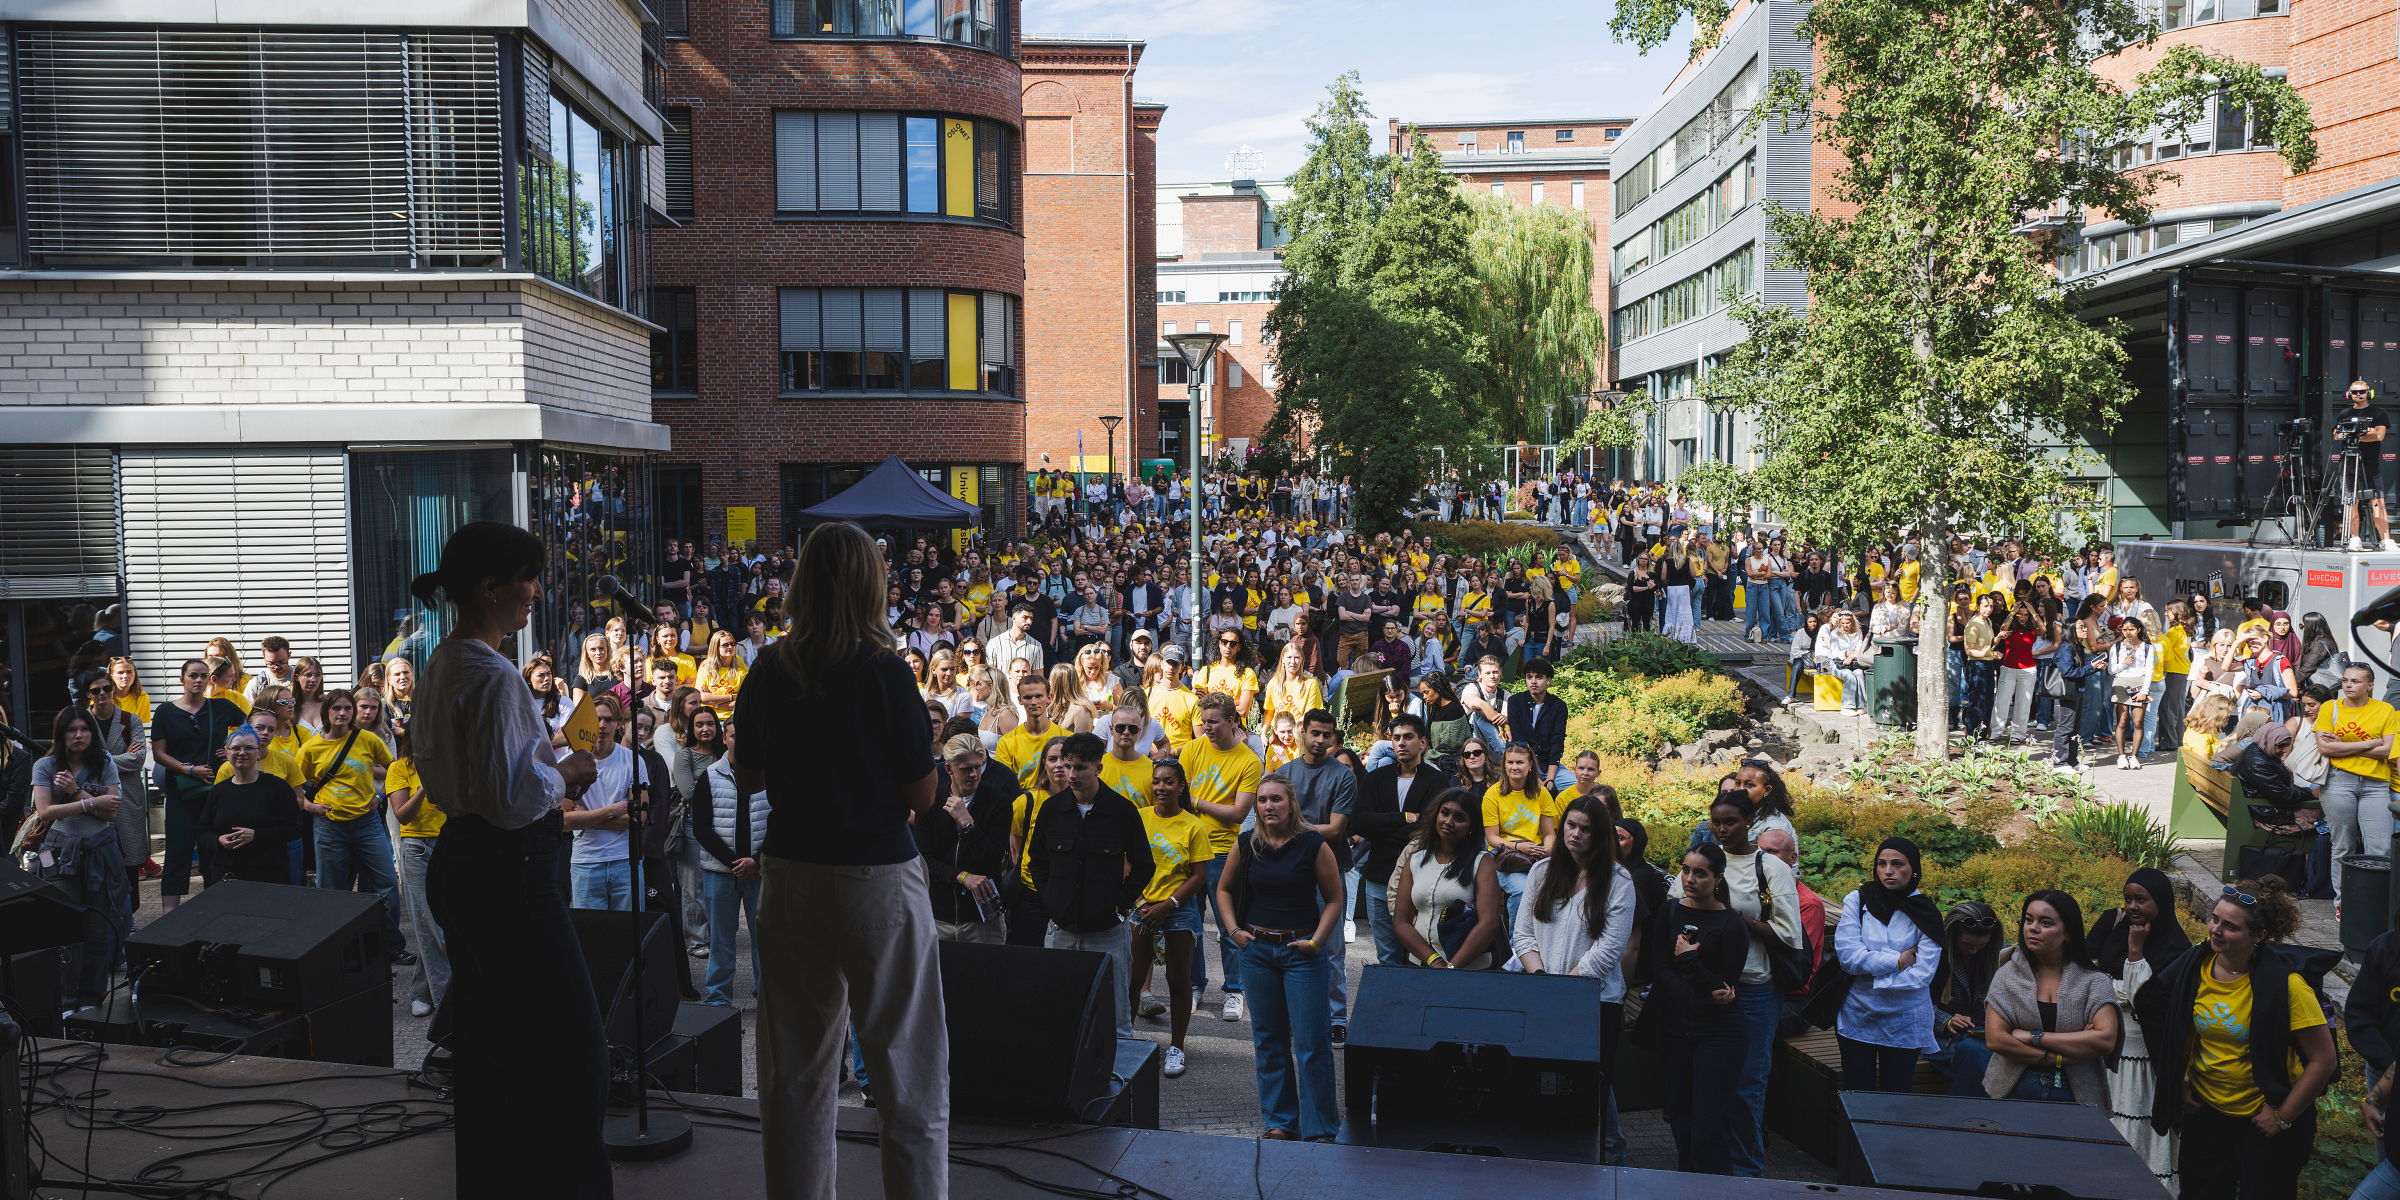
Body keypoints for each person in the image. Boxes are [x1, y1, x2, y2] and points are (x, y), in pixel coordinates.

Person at [730, 520, 947, 1200]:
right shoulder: (884, 671)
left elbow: (746, 772)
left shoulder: (770, 665)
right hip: (875, 876)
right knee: (906, 1066)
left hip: (790, 873)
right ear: (868, 585)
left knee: (794, 1070)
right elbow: (922, 791)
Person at [409, 521, 608, 1199]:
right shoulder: (493, 676)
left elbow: (464, 778)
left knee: (492, 1051)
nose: (535, 592)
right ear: (490, 587)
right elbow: (513, 797)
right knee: (576, 1049)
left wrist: (541, 762)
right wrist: (568, 769)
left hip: (464, 861)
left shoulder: (443, 664)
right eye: (527, 578)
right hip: (510, 873)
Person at [2136, 878, 2339, 1200]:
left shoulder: (2286, 985)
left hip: (2264, 1117)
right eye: (2215, 918)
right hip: (2208, 1111)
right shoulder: (2195, 965)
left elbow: (2324, 1060)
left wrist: (2282, 1116)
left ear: (2258, 936)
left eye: (2230, 926)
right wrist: (2180, 1080)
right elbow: (2163, 1016)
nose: (2216, 929)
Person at [1670, 791, 1803, 1177]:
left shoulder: (1770, 869)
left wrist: (1734, 920)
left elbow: (1788, 934)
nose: (1722, 829)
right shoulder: (1705, 862)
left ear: (1749, 822)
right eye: (1716, 822)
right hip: (1702, 986)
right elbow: (1675, 913)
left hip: (1752, 988)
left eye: (1730, 822)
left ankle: (1746, 1171)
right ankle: (1701, 1166)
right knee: (1699, 1086)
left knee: (1746, 1085)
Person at [1217, 772, 1345, 1143]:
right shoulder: (1246, 843)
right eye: (1262, 800)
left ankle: (1321, 1127)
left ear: (1291, 804)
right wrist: (1233, 931)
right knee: (1269, 1040)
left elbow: (1335, 899)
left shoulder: (1312, 844)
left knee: (1311, 1044)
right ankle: (1279, 1121)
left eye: (1276, 799)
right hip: (1256, 952)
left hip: (1301, 952)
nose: (1269, 806)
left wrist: (1317, 942)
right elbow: (1223, 889)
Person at [1030, 731, 1155, 1038]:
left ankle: (1119, 1080)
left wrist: (1118, 903)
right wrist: (1052, 900)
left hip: (1107, 933)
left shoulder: (1122, 812)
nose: (1071, 774)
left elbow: (1144, 865)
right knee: (1057, 1011)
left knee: (1117, 1019)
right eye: (1067, 766)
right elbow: (1037, 862)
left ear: (1098, 767)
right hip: (1060, 930)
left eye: (1080, 767)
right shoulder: (1051, 810)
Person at [2084, 868, 2196, 1191]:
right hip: (2108, 1053)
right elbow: (2088, 978)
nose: (2133, 906)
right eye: (2128, 899)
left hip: (2145, 1057)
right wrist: (2117, 990)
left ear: (2161, 902)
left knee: (2138, 1121)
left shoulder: (2175, 949)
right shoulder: (2113, 927)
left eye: (2141, 900)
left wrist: (2135, 951)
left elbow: (2145, 1001)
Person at [1649, 841, 1752, 1175]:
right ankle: (1687, 1182)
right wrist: (1694, 994)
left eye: (1700, 873)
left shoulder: (1731, 924)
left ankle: (1716, 1186)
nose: (1690, 878)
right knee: (1680, 1116)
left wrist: (1690, 962)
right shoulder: (1670, 911)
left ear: (1718, 878)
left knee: (1709, 1122)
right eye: (1686, 869)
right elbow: (1660, 967)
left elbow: (1724, 985)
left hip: (1719, 1032)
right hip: (1678, 1026)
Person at [29, 705, 130, 1010]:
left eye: (84, 729)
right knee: (67, 928)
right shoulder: (45, 765)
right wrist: (91, 802)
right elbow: (46, 810)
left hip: (101, 849)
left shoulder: (105, 762)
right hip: (60, 852)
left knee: (98, 927)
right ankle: (66, 998)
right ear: (61, 735)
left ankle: (93, 995)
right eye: (72, 730)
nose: (78, 735)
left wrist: (76, 794)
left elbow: (112, 811)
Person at [1982, 890, 2120, 1104]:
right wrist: (2055, 1057)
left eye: (2046, 923)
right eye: (2028, 920)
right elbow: (1996, 1039)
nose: (2033, 928)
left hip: (2075, 1092)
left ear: (2068, 932)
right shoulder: (2007, 975)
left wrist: (2032, 1036)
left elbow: (2105, 1040)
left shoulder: (2093, 981)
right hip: (2013, 1089)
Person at [1833, 837, 1947, 1092]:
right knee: (1856, 1091)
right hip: (1858, 1015)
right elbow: (1849, 958)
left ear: (1914, 869)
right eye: (1882, 864)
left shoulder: (1924, 912)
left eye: (1897, 864)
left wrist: (1871, 972)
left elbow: (1922, 975)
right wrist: (1897, 961)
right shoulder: (1858, 900)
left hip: (1904, 1019)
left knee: (1897, 1093)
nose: (1888, 871)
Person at [1180, 691, 1264, 1022]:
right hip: (1186, 849)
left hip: (1222, 851)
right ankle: (1194, 985)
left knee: (1229, 924)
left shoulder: (1248, 761)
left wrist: (1196, 802)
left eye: (1214, 721)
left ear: (1232, 721)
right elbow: (1176, 796)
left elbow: (1237, 812)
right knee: (1188, 924)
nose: (1207, 727)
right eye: (1203, 721)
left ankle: (1234, 990)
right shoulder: (1191, 749)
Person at [1131, 759, 1213, 1079]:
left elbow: (1199, 875)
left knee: (1178, 981)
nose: (1161, 787)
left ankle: (1176, 1046)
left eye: (1168, 782)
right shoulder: (1139, 819)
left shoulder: (1193, 825)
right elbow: (1127, 865)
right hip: (1141, 908)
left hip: (1178, 910)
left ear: (1181, 786)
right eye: (1156, 781)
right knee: (1133, 981)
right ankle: (1126, 1038)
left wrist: (1168, 904)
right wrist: (1140, 903)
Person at [1355, 714, 1453, 965]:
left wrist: (1384, 824)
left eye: (1408, 737)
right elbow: (1361, 822)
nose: (1401, 743)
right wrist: (1405, 817)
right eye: (1396, 738)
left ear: (1422, 743)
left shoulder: (1437, 781)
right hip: (1379, 876)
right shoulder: (1376, 778)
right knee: (1387, 956)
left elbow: (1431, 827)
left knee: (1420, 954)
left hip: (1420, 879)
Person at [150, 658, 247, 909]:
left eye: (203, 676)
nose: (198, 680)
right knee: (177, 852)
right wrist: (188, 769)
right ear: (182, 678)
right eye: (193, 675)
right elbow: (159, 753)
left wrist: (232, 749)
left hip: (214, 792)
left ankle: (212, 910)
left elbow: (252, 726)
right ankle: (169, 915)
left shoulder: (221, 706)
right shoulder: (165, 712)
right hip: (180, 790)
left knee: (213, 852)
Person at [690, 719, 769, 1007]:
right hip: (720, 872)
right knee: (721, 941)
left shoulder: (768, 774)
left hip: (759, 872)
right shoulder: (710, 776)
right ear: (725, 738)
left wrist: (757, 861)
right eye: (735, 736)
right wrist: (734, 862)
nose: (740, 742)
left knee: (764, 941)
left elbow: (778, 822)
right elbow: (701, 827)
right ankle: (719, 1000)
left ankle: (766, 995)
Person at [914, 733, 1012, 946]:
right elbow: (923, 858)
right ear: (949, 769)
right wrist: (961, 876)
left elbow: (993, 858)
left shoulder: (998, 802)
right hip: (939, 914)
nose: (975, 774)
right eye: (967, 769)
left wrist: (969, 824)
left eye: (979, 767)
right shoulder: (932, 801)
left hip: (982, 916)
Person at [2314, 663, 2395, 917]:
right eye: (2346, 680)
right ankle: (2343, 903)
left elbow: (2387, 750)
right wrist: (2370, 742)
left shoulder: (2385, 710)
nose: (2349, 685)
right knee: (2342, 846)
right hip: (2339, 781)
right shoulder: (2331, 707)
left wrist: (2345, 746)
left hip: (2376, 784)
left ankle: (2375, 902)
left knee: (2379, 848)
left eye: (2356, 681)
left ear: (2370, 685)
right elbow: (2326, 749)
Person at [1392, 788, 1504, 970]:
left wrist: (1451, 968)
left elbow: (1489, 923)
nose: (1448, 821)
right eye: (1444, 813)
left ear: (1471, 826)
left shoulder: (1482, 862)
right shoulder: (1415, 859)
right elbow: (1400, 922)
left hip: (1469, 970)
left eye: (1459, 818)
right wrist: (1434, 961)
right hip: (1421, 965)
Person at [200, 724, 304, 885]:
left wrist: (256, 836)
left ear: (258, 753)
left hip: (269, 874)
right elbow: (202, 831)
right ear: (227, 753)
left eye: (249, 748)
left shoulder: (277, 788)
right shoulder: (218, 791)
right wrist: (218, 840)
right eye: (236, 748)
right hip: (226, 874)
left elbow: (294, 829)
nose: (242, 753)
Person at [1924, 901, 2004, 1095]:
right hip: (1937, 1035)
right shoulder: (1932, 955)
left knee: (1980, 1053)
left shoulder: (2001, 954)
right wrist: (1946, 1021)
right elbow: (1915, 1001)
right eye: (1967, 944)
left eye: (1981, 946)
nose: (1974, 951)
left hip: (1982, 1033)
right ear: (1953, 936)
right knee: (1975, 1054)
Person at [2111, 622, 2158, 770]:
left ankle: (2134, 756)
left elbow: (2149, 670)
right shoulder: (2117, 647)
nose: (2128, 632)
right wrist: (2124, 663)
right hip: (2121, 683)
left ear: (2138, 630)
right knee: (2122, 721)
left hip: (2139, 683)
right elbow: (2111, 670)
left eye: (2131, 629)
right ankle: (2121, 756)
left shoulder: (2147, 647)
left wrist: (2144, 690)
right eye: (2125, 630)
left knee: (2138, 722)